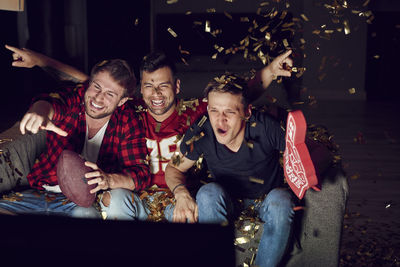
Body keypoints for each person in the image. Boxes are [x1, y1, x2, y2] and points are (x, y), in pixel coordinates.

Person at [3, 45, 293, 221]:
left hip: (175, 196)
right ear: (138, 90)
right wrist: (40, 61)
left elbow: (235, 99)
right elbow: (90, 85)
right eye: (149, 86)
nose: (156, 94)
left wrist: (269, 72)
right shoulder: (132, 111)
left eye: (163, 86)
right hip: (137, 197)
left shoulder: (195, 113)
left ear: (177, 88)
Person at [164, 74, 294, 267]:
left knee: (282, 200)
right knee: (207, 193)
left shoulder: (266, 127)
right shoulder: (201, 131)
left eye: (230, 112)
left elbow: (313, 152)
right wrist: (181, 193)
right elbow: (173, 167)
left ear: (247, 112)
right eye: (214, 110)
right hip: (225, 202)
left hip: (267, 200)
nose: (220, 120)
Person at [0, 56, 150, 218]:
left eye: (110, 94)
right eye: (96, 87)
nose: (98, 98)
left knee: (85, 218)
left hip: (81, 203)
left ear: (122, 101)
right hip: (41, 191)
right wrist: (40, 111)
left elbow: (141, 174)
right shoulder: (76, 97)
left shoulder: (127, 120)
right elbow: (53, 102)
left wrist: (108, 179)